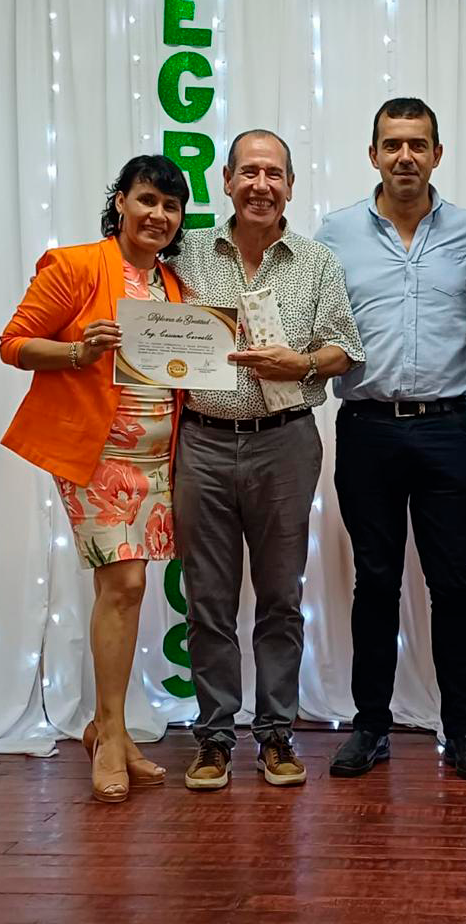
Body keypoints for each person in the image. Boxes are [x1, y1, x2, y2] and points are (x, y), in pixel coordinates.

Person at [171, 129, 365, 791]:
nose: (261, 185)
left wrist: (300, 363)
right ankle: (214, 738)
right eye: (249, 172)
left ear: (290, 185)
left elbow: (344, 349)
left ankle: (277, 733)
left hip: (285, 442)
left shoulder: (315, 261)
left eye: (274, 173)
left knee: (282, 596)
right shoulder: (185, 253)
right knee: (208, 598)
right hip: (200, 440)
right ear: (226, 181)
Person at [316, 98, 466, 781]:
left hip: (447, 428)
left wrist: (450, 356)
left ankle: (464, 730)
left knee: (453, 584)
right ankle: (371, 726)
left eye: (417, 144)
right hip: (366, 429)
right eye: (392, 144)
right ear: (373, 154)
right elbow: (319, 318)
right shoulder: (335, 233)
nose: (404, 156)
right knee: (375, 582)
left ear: (437, 154)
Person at [0, 154, 190, 803]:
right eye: (146, 200)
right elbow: (15, 343)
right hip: (97, 454)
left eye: (170, 206)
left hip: (158, 461)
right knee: (125, 582)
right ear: (120, 203)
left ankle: (112, 728)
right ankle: (110, 736)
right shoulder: (77, 266)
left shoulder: (175, 287)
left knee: (128, 592)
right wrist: (78, 351)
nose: (158, 214)